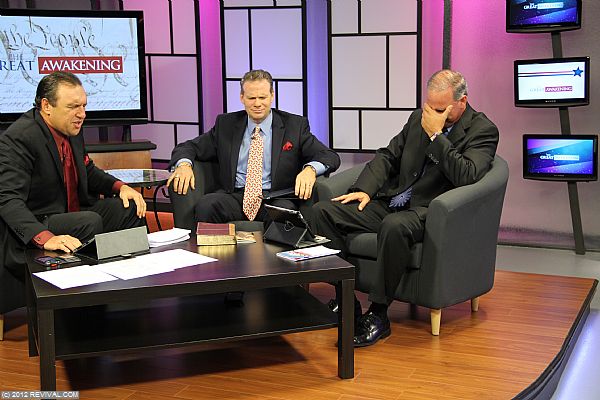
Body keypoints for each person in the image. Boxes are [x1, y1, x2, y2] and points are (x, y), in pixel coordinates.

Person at [312, 69, 499, 347]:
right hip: (394, 199)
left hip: (433, 209)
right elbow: (389, 156)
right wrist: (364, 189)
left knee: (394, 226)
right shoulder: (417, 118)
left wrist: (437, 136)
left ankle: (378, 314)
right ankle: (347, 300)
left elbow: (467, 175)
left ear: (462, 101)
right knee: (322, 212)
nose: (431, 115)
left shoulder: (483, 130)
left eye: (440, 110)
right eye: (429, 107)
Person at [0, 71, 147, 280]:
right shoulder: (20, 138)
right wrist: (45, 238)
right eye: (73, 107)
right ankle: (84, 290)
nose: (82, 114)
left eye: (84, 106)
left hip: (71, 210)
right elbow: (7, 198)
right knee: (88, 221)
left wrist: (120, 187)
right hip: (39, 220)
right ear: (46, 106)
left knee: (129, 208)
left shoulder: (71, 128)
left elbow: (87, 170)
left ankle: (131, 277)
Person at [168, 69, 340, 224]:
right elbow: (189, 147)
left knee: (283, 213)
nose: (257, 104)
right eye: (251, 98)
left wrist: (310, 169)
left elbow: (329, 155)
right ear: (242, 98)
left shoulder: (294, 126)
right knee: (207, 205)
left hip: (275, 197)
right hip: (235, 196)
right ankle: (214, 251)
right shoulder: (226, 124)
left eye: (262, 97)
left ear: (272, 96)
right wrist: (184, 165)